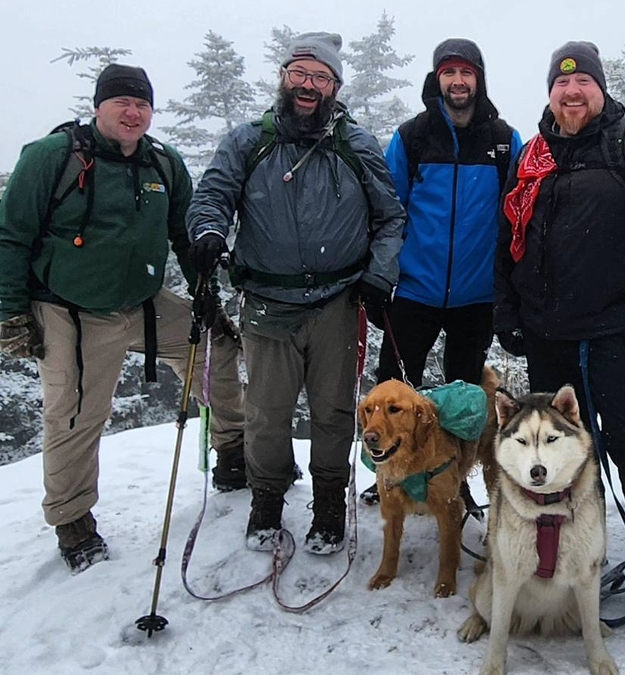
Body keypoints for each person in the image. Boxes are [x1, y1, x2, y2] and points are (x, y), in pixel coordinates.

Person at [0, 64, 245, 573]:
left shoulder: (163, 163)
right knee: (74, 412)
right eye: (122, 103)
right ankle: (73, 521)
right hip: (70, 307)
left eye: (143, 104)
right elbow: (10, 235)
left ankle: (233, 452)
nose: (133, 113)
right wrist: (10, 314)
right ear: (98, 106)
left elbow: (185, 236)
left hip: (143, 302)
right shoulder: (52, 158)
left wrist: (208, 299)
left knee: (215, 349)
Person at [494, 41, 625, 649]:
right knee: (565, 466)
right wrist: (509, 310)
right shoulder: (532, 157)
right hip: (551, 340)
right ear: (549, 94)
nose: (572, 93)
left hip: (624, 337)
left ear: (600, 89)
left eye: (583, 82)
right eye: (561, 85)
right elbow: (508, 235)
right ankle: (583, 564)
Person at [187, 32, 405, 554]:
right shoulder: (247, 141)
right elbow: (212, 194)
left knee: (333, 410)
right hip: (267, 302)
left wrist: (380, 275)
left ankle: (330, 499)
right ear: (284, 78)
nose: (309, 85)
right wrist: (208, 232)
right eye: (300, 74)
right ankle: (267, 499)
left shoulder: (356, 145)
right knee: (267, 411)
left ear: (335, 87)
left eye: (321, 78)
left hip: (337, 301)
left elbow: (390, 216)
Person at [377, 39, 522, 386]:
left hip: (477, 296)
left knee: (465, 406)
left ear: (479, 79)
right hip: (414, 292)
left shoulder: (503, 141)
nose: (458, 80)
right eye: (449, 72)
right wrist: (379, 277)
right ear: (437, 79)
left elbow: (518, 219)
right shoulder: (412, 136)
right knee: (394, 396)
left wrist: (515, 289)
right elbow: (385, 210)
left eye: (466, 72)